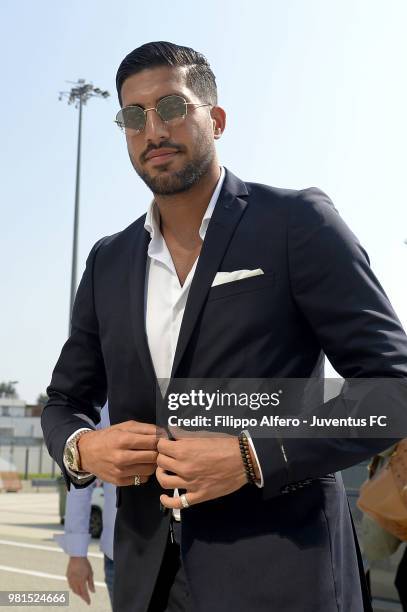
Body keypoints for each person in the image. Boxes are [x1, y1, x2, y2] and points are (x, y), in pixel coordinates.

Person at [41, 41, 407, 612]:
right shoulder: (107, 261)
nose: (152, 130)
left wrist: (251, 454)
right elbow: (66, 399)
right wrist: (82, 449)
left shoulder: (297, 223)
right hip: (146, 581)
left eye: (170, 106)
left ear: (216, 118)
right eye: (133, 117)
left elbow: (393, 387)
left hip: (283, 574)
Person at [54, 404, 116, 608]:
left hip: (194, 549)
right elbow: (81, 477)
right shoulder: (104, 397)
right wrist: (77, 553)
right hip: (121, 553)